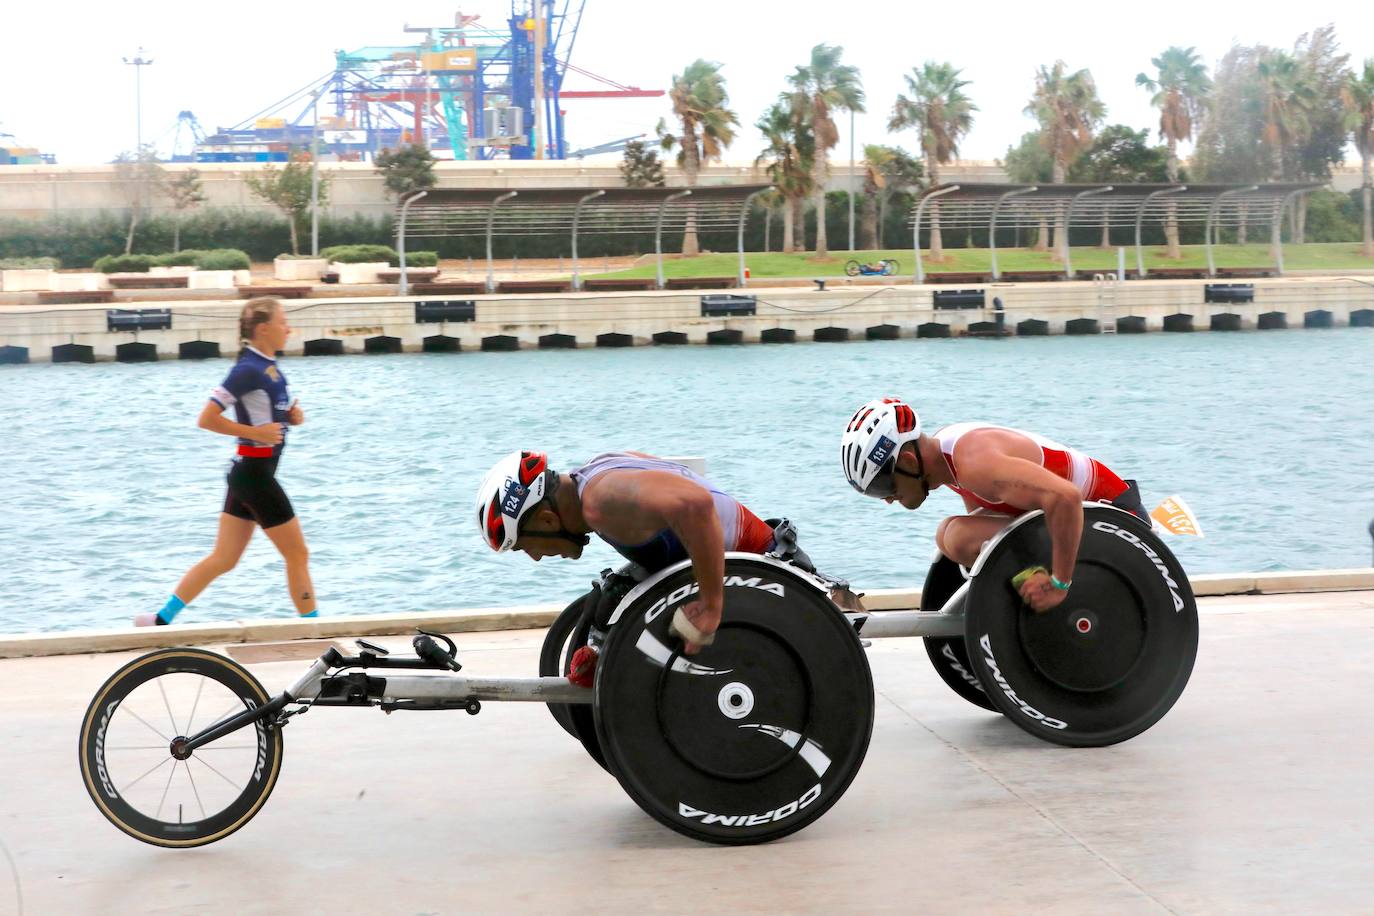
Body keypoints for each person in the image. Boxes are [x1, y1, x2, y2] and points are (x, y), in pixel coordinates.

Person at [840, 397, 1148, 613]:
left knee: (959, 535)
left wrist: (1060, 583)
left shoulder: (974, 464)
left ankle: (1053, 593)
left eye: (885, 486)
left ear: (908, 461)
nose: (889, 500)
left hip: (1120, 522)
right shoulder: (946, 460)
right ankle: (1036, 594)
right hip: (1086, 521)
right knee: (954, 533)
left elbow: (1065, 497)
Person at [475, 450, 778, 668]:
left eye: (526, 546)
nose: (537, 557)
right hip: (739, 559)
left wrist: (711, 605)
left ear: (547, 520)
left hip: (762, 563)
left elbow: (696, 504)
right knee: (606, 600)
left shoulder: (602, 500)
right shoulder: (595, 475)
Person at [136, 298, 317, 626]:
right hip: (254, 475)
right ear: (263, 329)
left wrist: (292, 417)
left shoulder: (269, 367)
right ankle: (316, 628)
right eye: (283, 322)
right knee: (297, 553)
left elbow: (271, 420)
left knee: (224, 558)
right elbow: (206, 419)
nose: (289, 328)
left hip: (247, 475)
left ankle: (160, 620)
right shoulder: (246, 370)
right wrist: (254, 432)